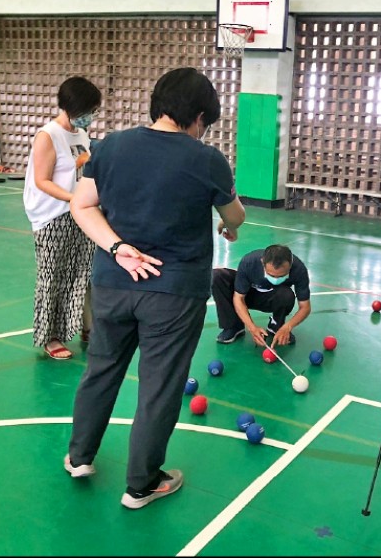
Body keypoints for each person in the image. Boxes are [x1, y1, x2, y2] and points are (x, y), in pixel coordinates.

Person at [66, 67, 246, 510]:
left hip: (113, 282)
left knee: (101, 370)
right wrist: (227, 221)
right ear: (199, 115)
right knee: (159, 387)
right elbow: (236, 216)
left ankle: (79, 457)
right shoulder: (206, 159)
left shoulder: (109, 146)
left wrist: (118, 247)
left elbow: (82, 205)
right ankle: (141, 484)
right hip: (175, 292)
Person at [23, 76, 101, 359]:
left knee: (85, 272)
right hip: (52, 217)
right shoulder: (48, 135)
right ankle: (51, 337)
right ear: (71, 107)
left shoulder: (81, 135)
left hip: (79, 213)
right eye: (88, 110)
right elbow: (42, 180)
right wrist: (73, 199)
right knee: (52, 276)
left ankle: (88, 328)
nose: (91, 116)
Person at [212, 245, 311, 347]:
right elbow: (238, 298)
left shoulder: (299, 269)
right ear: (262, 262)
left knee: (287, 295)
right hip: (248, 295)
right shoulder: (249, 262)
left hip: (272, 297)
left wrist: (288, 326)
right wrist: (252, 327)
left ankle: (276, 325)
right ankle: (234, 326)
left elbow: (305, 307)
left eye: (281, 275)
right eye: (271, 275)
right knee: (217, 277)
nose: (276, 279)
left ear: (290, 265)